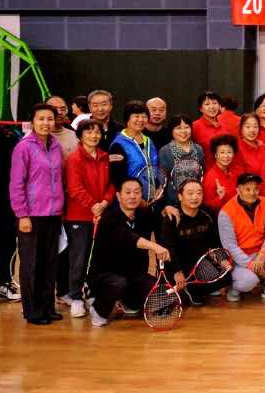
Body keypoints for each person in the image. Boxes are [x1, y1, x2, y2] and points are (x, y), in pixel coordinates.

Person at [85, 178, 169, 327]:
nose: (132, 196)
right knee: (118, 283)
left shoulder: (145, 215)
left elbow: (160, 222)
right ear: (118, 196)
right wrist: (154, 247)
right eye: (128, 192)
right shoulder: (109, 218)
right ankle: (98, 310)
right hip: (105, 276)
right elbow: (128, 237)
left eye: (137, 192)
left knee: (155, 289)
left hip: (133, 275)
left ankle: (128, 302)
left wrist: (167, 209)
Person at [11, 103, 66, 325]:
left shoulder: (55, 146)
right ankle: (33, 311)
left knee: (50, 263)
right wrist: (22, 215)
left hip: (54, 214)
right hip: (32, 214)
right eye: (41, 119)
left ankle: (47, 307)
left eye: (50, 119)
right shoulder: (23, 147)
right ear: (32, 122)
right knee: (32, 264)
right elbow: (16, 184)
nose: (46, 123)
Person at [61, 119, 114, 317]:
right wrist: (93, 206)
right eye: (89, 132)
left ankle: (90, 292)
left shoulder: (104, 156)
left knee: (96, 258)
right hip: (79, 216)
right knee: (79, 258)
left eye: (97, 132)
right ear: (80, 135)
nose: (94, 136)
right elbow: (74, 188)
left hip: (101, 214)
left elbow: (111, 185)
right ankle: (75, 297)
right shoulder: (74, 159)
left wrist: (104, 203)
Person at [216, 173, 265, 303]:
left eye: (256, 189)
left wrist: (263, 253)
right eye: (248, 189)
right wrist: (251, 265)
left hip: (261, 253)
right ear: (238, 190)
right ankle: (234, 288)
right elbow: (230, 247)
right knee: (249, 281)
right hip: (240, 258)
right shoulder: (226, 212)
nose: (252, 193)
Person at [158, 179, 229, 306]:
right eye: (190, 193)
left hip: (200, 263)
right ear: (180, 196)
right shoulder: (171, 217)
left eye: (199, 193)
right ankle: (191, 291)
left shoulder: (208, 213)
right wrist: (177, 271)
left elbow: (215, 241)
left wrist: (221, 259)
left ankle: (195, 290)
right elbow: (168, 247)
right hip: (176, 264)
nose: (195, 197)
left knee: (227, 277)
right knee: (191, 295)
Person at [108, 101, 161, 194]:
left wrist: (157, 187)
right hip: (132, 197)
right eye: (136, 116)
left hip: (152, 196)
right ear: (127, 119)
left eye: (144, 116)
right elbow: (117, 178)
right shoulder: (118, 144)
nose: (140, 120)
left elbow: (155, 168)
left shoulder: (149, 141)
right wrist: (135, 196)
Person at [158, 114, 205, 209]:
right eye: (178, 128)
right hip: (173, 202)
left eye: (186, 127)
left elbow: (202, 175)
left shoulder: (198, 149)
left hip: (195, 200)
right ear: (171, 131)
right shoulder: (165, 151)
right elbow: (162, 181)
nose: (183, 131)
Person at [192, 91, 235, 169]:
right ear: (201, 109)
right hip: (206, 171)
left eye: (215, 103)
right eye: (207, 104)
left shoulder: (225, 124)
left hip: (226, 170)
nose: (212, 107)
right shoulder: (194, 126)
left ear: (219, 106)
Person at [203, 134, 239, 214]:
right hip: (221, 217)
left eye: (229, 152)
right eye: (222, 152)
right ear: (215, 155)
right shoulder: (211, 177)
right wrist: (220, 198)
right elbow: (206, 206)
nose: (226, 156)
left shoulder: (233, 172)